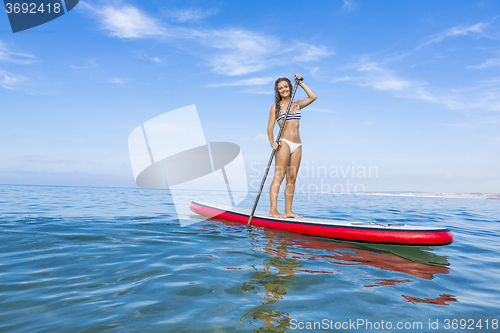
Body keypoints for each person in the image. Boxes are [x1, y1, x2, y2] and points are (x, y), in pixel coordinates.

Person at [267, 73, 317, 218]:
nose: (284, 90)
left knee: (292, 178)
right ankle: (273, 210)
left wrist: (300, 83)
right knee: (279, 176)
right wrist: (272, 142)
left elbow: (313, 97)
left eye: (286, 86)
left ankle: (288, 211)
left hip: (298, 144)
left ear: (290, 87)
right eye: (280, 88)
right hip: (284, 143)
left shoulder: (297, 104)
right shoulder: (275, 107)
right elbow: (270, 128)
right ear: (278, 91)